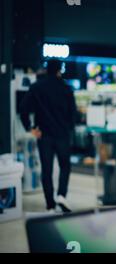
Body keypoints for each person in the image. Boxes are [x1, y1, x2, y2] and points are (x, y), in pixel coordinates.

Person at [20, 59, 77, 212]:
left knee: (47, 170)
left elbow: (23, 109)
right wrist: (69, 128)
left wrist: (31, 128)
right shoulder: (66, 88)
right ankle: (61, 196)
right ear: (60, 70)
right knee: (65, 166)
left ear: (46, 70)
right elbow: (73, 114)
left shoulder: (37, 87)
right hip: (63, 135)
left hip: (44, 135)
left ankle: (50, 205)